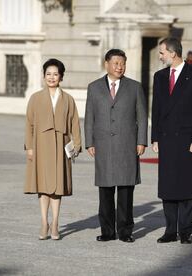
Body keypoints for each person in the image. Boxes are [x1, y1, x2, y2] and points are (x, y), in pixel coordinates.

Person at [84, 49, 148, 243]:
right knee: (105, 191)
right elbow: (89, 117)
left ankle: (125, 231)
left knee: (126, 191)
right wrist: (89, 142)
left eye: (123, 63)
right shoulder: (94, 87)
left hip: (127, 145)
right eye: (116, 63)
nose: (120, 67)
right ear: (107, 64)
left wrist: (141, 141)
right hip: (103, 145)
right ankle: (107, 231)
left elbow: (142, 117)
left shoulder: (134, 87)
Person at [151, 38, 192, 244]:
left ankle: (185, 231)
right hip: (167, 140)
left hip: (187, 141)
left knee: (186, 188)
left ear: (173, 53)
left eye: (162, 53)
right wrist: (155, 137)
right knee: (168, 187)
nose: (160, 56)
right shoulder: (159, 77)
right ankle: (169, 230)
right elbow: (156, 109)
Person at [24, 58, 81, 240]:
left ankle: (55, 222)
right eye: (48, 74)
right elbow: (29, 124)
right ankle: (44, 222)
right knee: (43, 186)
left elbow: (74, 124)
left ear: (61, 76)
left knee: (57, 186)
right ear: (43, 76)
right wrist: (30, 148)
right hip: (40, 145)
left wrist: (77, 145)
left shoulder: (68, 100)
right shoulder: (35, 98)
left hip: (61, 146)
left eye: (55, 74)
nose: (51, 77)